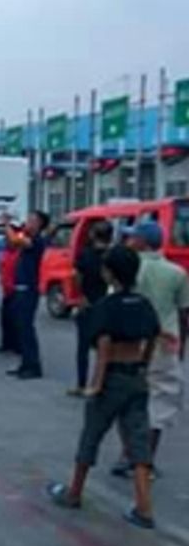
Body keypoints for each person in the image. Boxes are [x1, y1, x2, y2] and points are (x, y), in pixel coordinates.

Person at [47, 245, 160, 530]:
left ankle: (74, 492)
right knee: (138, 443)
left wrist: (95, 385)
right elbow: (153, 337)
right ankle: (144, 508)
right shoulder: (143, 303)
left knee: (91, 436)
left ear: (109, 274)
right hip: (136, 376)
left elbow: (104, 347)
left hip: (111, 378)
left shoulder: (106, 307)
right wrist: (144, 365)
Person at [110, 221, 189, 478]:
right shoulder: (177, 273)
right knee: (160, 403)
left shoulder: (128, 269)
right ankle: (145, 461)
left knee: (126, 398)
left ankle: (127, 454)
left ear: (142, 241)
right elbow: (183, 313)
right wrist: (181, 348)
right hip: (165, 344)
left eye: (133, 238)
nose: (129, 241)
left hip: (129, 344)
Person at [69, 223, 113, 397]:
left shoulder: (85, 255)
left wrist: (81, 296)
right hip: (107, 304)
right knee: (107, 347)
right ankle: (102, 383)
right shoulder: (112, 255)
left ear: (94, 235)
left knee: (83, 348)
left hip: (89, 303)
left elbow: (77, 277)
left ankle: (81, 385)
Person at [6, 211, 50, 379]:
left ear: (40, 224)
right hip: (20, 287)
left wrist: (6, 224)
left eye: (32, 220)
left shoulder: (38, 240)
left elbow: (15, 240)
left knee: (26, 328)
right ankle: (25, 363)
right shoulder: (28, 236)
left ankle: (33, 365)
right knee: (20, 328)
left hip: (29, 288)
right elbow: (13, 242)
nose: (28, 222)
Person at [0, 230, 22, 355]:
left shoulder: (19, 254)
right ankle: (6, 343)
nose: (7, 242)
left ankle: (17, 345)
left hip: (15, 290)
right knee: (5, 318)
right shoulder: (5, 254)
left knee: (15, 319)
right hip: (6, 290)